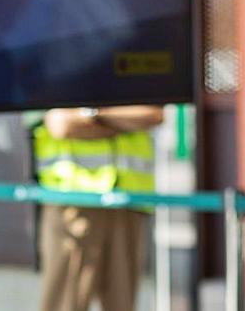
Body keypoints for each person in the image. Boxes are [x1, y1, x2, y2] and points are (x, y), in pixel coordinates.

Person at [32, 105, 164, 311]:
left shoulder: (130, 75)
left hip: (127, 200)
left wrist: (92, 116)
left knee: (122, 302)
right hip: (72, 202)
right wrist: (120, 122)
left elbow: (152, 114)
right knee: (64, 302)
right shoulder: (54, 75)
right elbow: (61, 124)